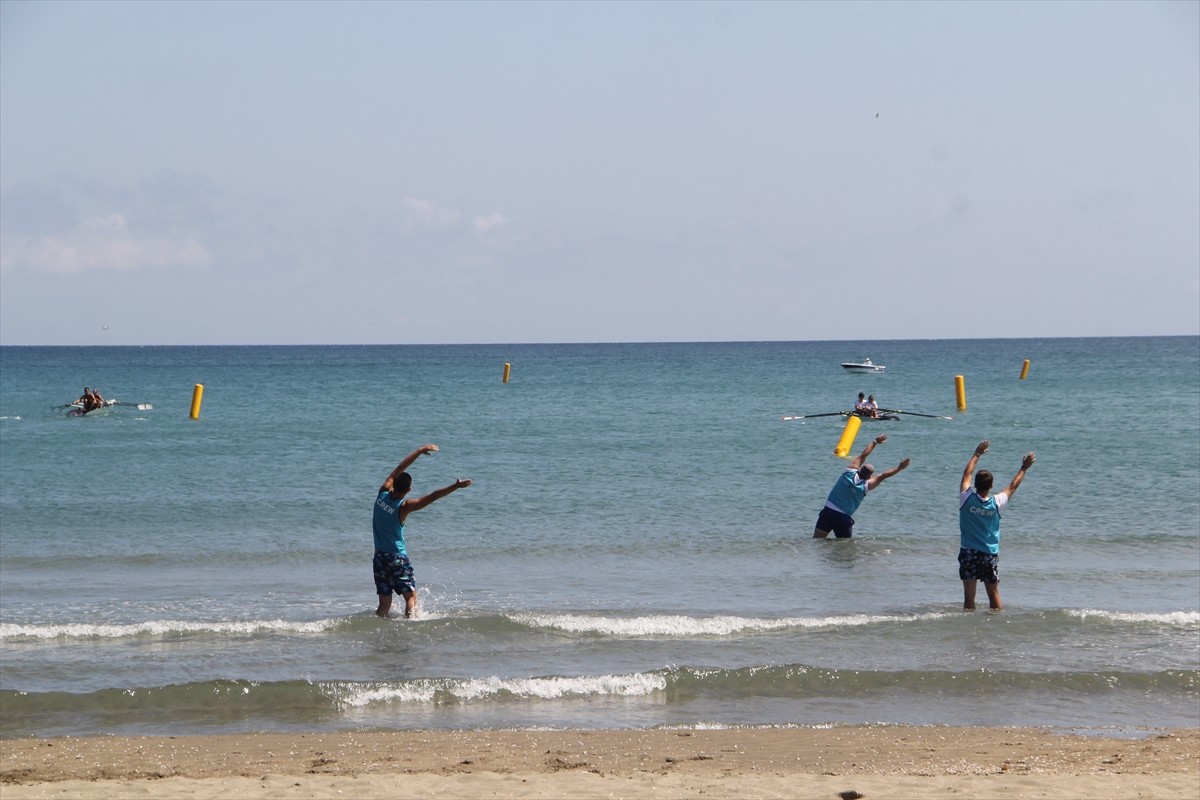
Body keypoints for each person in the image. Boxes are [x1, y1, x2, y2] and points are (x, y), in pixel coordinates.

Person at [372, 443, 471, 619]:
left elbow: (400, 467)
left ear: (394, 483)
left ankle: (379, 635)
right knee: (410, 597)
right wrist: (455, 487)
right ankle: (410, 631)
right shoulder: (404, 507)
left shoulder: (382, 493)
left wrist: (419, 451)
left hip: (379, 558)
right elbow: (432, 497)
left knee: (384, 604)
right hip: (397, 557)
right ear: (409, 490)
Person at [958, 440, 1036, 611]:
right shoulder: (997, 503)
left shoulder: (966, 498)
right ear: (991, 486)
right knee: (993, 594)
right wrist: (1024, 468)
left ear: (975, 486)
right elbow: (1013, 486)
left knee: (969, 596)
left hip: (968, 551)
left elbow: (966, 474)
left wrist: (977, 454)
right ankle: (996, 627)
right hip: (988, 553)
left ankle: (969, 626)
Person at [813, 434, 911, 538]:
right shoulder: (865, 486)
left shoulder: (849, 472)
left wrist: (875, 442)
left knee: (817, 541)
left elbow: (863, 455)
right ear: (869, 477)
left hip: (828, 512)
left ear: (859, 469)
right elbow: (883, 476)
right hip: (843, 518)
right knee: (844, 549)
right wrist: (900, 468)